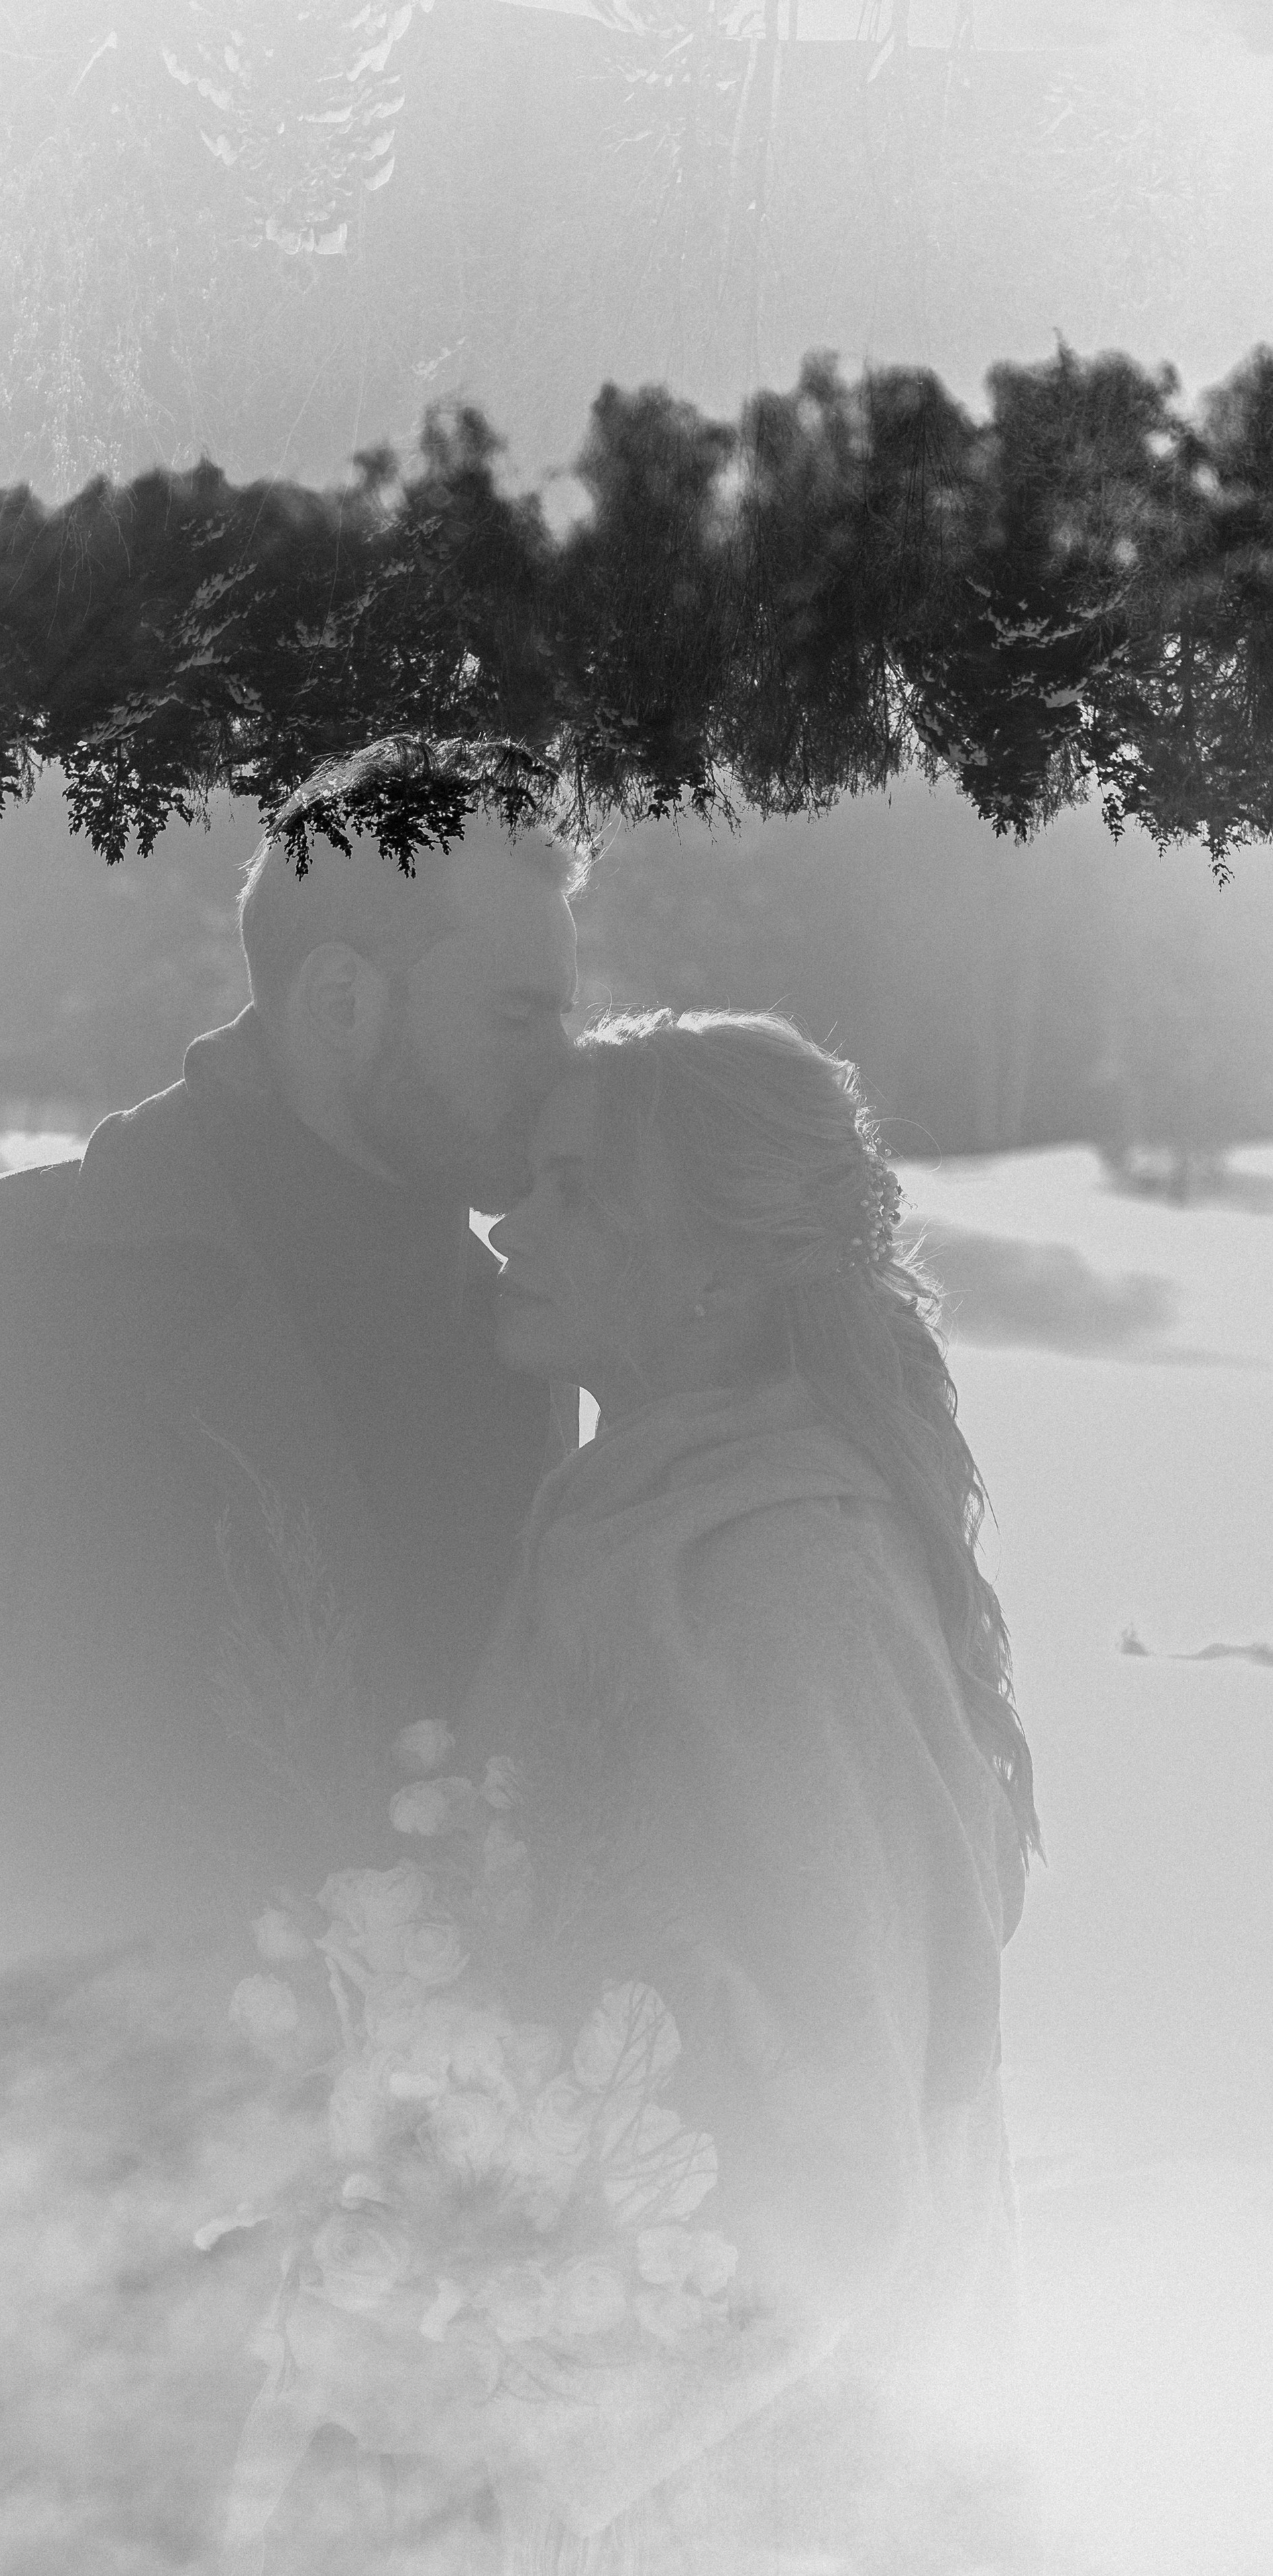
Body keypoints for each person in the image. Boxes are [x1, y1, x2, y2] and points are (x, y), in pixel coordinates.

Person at [0, 735, 584, 2576]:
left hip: (398, 2368)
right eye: (519, 1011)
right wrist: (145, 2099)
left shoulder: (518, 1357)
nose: (564, 1062)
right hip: (24, 2312)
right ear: (346, 1001)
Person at [452, 1007, 1040, 2572]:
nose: (511, 1221)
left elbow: (831, 2145)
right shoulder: (645, 1514)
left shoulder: (773, 1580)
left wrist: (540, 2454)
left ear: (716, 1268)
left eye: (578, 1191)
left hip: (745, 2476)